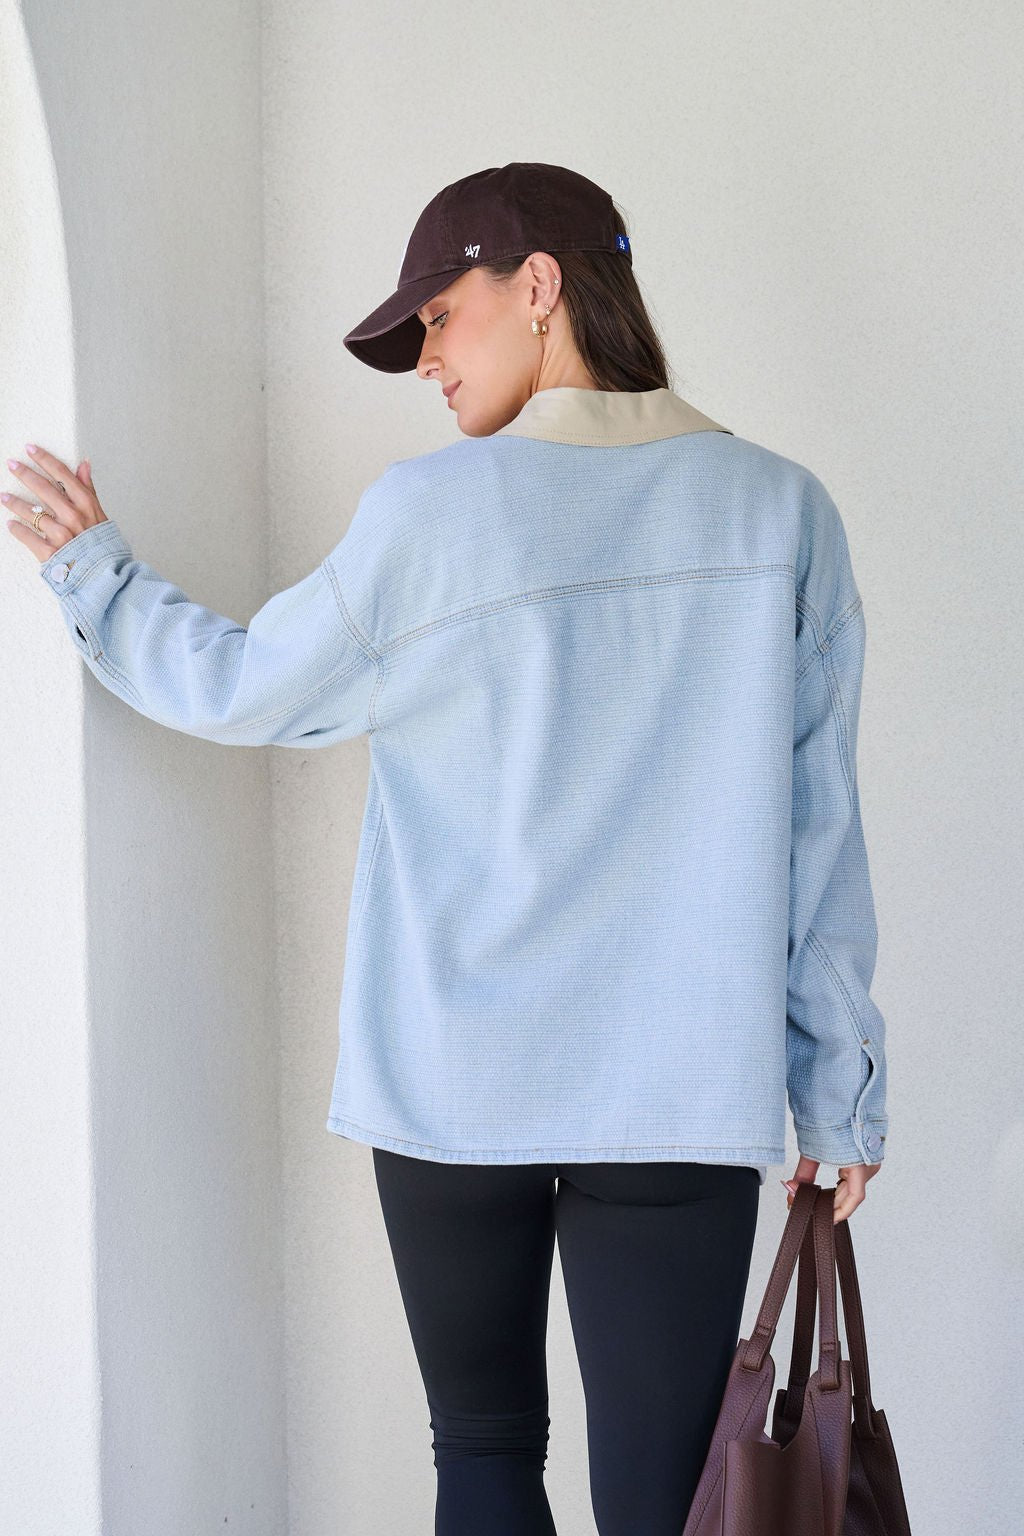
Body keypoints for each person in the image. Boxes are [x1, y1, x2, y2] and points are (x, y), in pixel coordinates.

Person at [5, 162, 888, 1536]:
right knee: (662, 1505)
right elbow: (820, 827)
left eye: (438, 316)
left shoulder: (428, 517)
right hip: (678, 1086)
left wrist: (94, 573)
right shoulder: (782, 517)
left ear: (537, 287)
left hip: (451, 1076)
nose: (422, 358)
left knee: (481, 1451)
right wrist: (842, 1094)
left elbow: (245, 690)